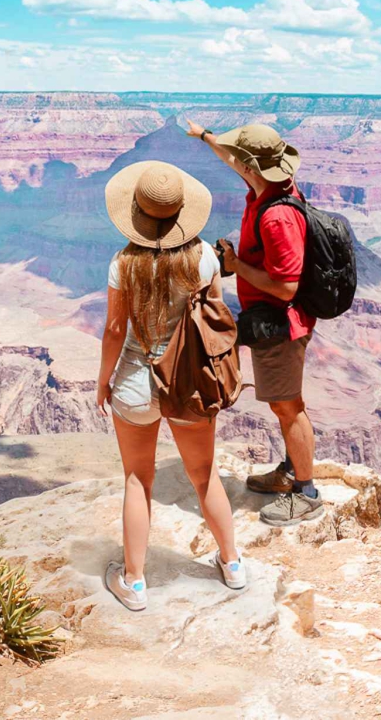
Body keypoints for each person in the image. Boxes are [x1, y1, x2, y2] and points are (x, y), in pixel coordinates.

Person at [97, 160, 247, 611]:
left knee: (137, 480)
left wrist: (103, 382)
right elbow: (212, 321)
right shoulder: (204, 259)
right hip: (189, 382)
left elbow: (115, 330)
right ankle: (232, 564)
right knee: (204, 475)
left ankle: (134, 583)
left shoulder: (124, 263)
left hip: (135, 382)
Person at [187, 120, 322, 527]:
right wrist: (205, 136)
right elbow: (233, 160)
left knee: (287, 406)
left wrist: (234, 265)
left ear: (252, 166)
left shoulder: (275, 216)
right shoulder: (270, 186)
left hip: (282, 325)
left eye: (241, 160)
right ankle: (290, 470)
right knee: (284, 404)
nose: (236, 164)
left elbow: (287, 286)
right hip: (271, 320)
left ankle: (306, 493)